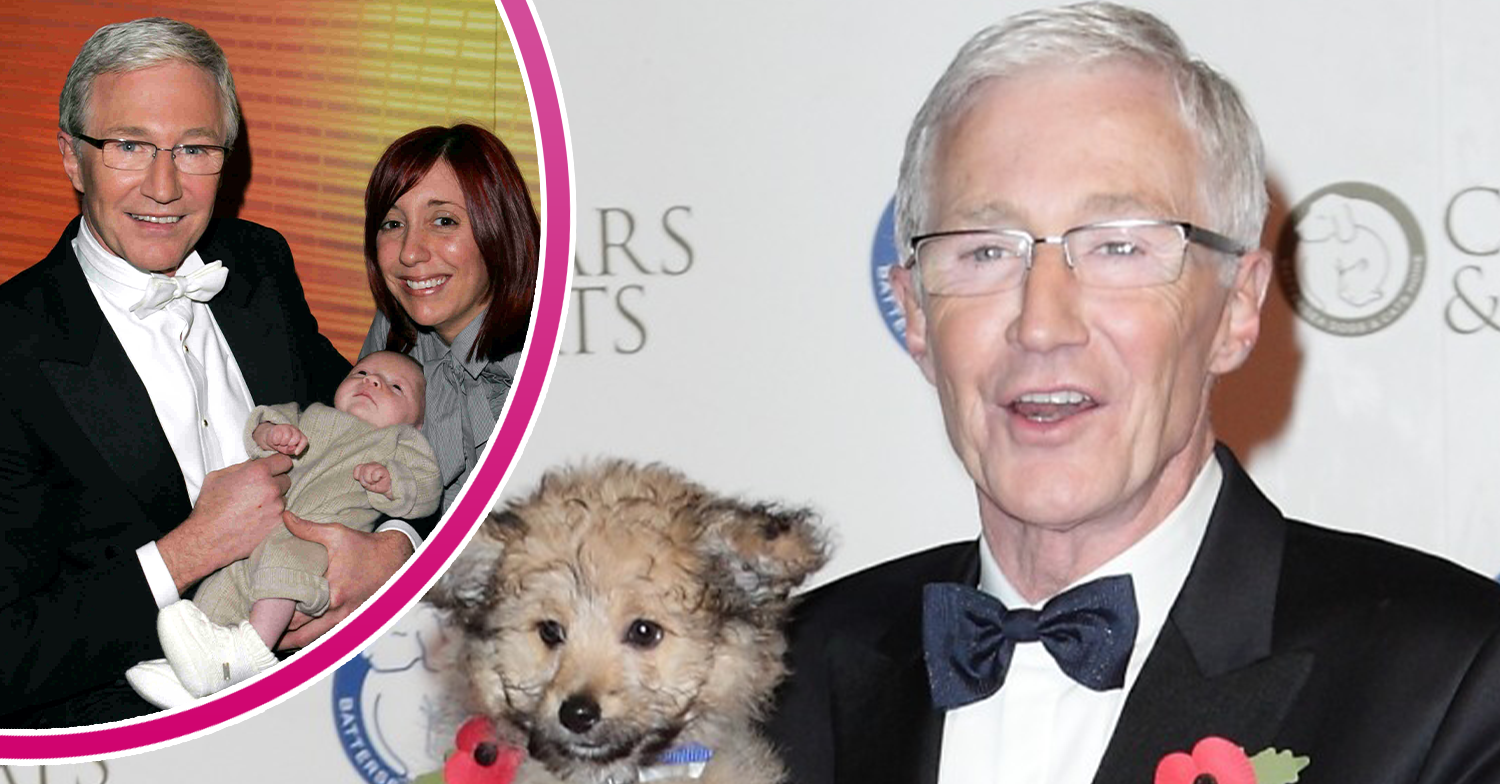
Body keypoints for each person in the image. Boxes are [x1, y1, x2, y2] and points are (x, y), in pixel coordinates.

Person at [767, 5, 1500, 784]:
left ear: (1238, 307)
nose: (1042, 324)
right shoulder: (777, 682)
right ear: (915, 314)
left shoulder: (1454, 684)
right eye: (984, 252)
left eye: (1118, 246)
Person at [0, 18, 413, 727]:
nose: (164, 187)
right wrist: (187, 551)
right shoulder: (12, 346)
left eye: (194, 149)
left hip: (333, 687)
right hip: (134, 730)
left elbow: (372, 430)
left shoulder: (258, 266)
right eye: (129, 145)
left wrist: (392, 550)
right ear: (73, 158)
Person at [126, 351, 441, 705]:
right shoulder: (311, 416)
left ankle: (254, 650)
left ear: (417, 423)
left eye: (394, 387)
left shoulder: (400, 442)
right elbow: (260, 423)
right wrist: (272, 433)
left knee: (284, 563)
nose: (372, 382)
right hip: (258, 533)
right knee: (220, 587)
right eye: (363, 372)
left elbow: (427, 490)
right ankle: (197, 673)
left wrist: (391, 481)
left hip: (319, 537)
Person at [360, 124, 539, 514]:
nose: (410, 252)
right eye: (392, 224)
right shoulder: (394, 334)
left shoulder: (551, 360)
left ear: (500, 229)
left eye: (444, 221)